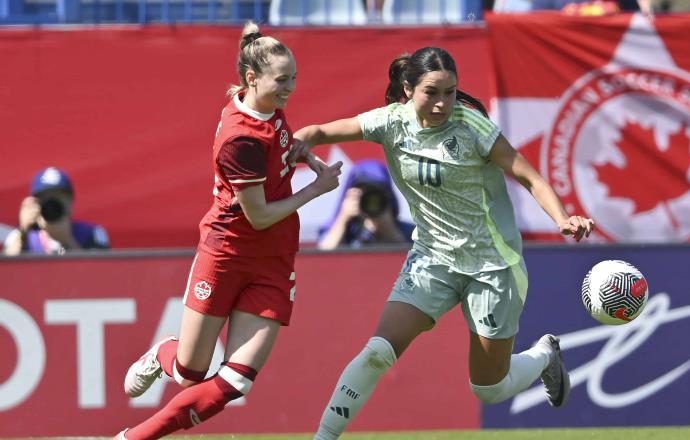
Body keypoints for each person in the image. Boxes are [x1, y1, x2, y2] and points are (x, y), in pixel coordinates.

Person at [293, 47, 595, 439]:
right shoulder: (389, 122)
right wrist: (296, 144)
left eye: (450, 92)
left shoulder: (473, 127)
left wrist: (562, 218)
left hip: (492, 265)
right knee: (377, 352)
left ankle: (544, 355)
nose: (441, 104)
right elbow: (316, 132)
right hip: (432, 260)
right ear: (407, 89)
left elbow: (531, 177)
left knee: (489, 389)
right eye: (431, 92)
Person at [115, 21, 342, 439]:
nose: (290, 88)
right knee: (189, 373)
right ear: (252, 79)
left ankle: (132, 438)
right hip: (226, 253)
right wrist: (317, 189)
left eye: (294, 78)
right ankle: (163, 353)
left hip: (272, 262)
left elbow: (274, 162)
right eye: (283, 79)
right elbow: (258, 217)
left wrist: (297, 155)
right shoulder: (241, 139)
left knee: (235, 382)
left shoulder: (263, 102)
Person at [3, 166, 109, 255]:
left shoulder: (92, 234)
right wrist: (23, 233)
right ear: (34, 204)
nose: (52, 204)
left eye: (58, 197)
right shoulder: (21, 237)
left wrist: (66, 241)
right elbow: (8, 274)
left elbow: (98, 275)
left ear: (70, 201)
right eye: (45, 198)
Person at [317, 159, 414, 250]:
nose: (370, 199)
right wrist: (343, 218)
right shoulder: (344, 230)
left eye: (376, 193)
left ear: (388, 196)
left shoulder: (410, 231)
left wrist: (391, 231)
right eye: (363, 192)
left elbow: (412, 261)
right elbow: (323, 258)